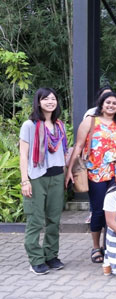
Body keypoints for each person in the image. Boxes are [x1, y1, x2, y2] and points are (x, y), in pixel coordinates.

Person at [66, 91, 116, 265]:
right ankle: (95, 247)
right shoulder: (91, 121)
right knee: (99, 211)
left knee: (114, 211)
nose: (111, 106)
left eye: (114, 103)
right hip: (96, 174)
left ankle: (108, 246)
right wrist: (69, 170)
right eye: (108, 102)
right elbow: (78, 146)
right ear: (101, 104)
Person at [19, 88, 69, 275]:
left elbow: (63, 151)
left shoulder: (59, 125)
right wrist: (25, 181)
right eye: (45, 99)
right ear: (38, 102)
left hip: (57, 177)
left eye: (53, 98)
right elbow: (23, 155)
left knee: (54, 220)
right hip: (37, 177)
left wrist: (66, 174)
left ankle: (51, 255)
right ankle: (36, 259)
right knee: (36, 220)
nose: (50, 101)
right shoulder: (30, 125)